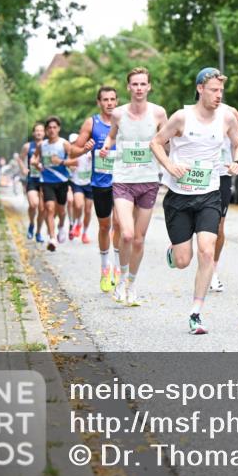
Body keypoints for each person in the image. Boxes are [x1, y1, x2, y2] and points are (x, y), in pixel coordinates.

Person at [150, 67, 238, 335]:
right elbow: (156, 142)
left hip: (209, 194)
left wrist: (237, 161)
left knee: (206, 250)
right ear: (200, 89)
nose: (218, 95)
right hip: (179, 197)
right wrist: (169, 165)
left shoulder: (226, 118)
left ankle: (196, 313)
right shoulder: (182, 117)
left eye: (221, 91)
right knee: (183, 260)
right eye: (214, 90)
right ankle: (174, 251)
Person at [98, 67, 168, 306]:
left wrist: (171, 157)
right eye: (135, 84)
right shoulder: (118, 114)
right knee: (126, 233)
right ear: (128, 87)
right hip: (123, 180)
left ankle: (132, 283)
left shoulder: (159, 113)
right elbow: (112, 135)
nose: (139, 88)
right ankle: (121, 277)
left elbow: (167, 141)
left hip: (148, 181)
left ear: (149, 87)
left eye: (143, 84)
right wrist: (107, 146)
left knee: (139, 239)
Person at [68, 86, 122, 292]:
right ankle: (104, 269)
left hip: (120, 181)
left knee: (120, 224)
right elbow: (72, 151)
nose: (109, 103)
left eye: (112, 99)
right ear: (99, 102)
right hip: (100, 183)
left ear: (117, 101)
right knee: (105, 226)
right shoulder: (92, 123)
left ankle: (118, 268)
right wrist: (84, 149)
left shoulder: (124, 121)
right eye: (105, 99)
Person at [211, 102, 238, 292]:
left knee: (218, 225)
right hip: (201, 174)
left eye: (220, 88)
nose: (217, 93)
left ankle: (213, 270)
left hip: (223, 173)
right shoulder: (193, 113)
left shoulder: (230, 112)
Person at [31, 116, 78, 252]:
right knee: (49, 208)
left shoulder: (64, 144)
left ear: (58, 129)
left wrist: (61, 162)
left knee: (62, 210)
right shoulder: (42, 145)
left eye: (54, 127)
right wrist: (36, 163)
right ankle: (52, 238)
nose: (52, 130)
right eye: (49, 128)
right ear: (46, 130)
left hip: (62, 181)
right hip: (46, 181)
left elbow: (74, 161)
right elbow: (34, 157)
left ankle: (62, 226)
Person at [18, 122, 46, 243]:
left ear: (44, 133)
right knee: (33, 204)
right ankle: (31, 224)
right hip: (32, 179)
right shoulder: (28, 146)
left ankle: (38, 232)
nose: (39, 132)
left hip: (45, 181)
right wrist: (23, 168)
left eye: (41, 130)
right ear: (33, 133)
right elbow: (20, 158)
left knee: (42, 209)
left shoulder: (48, 145)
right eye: (37, 130)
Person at [67, 132, 94, 243]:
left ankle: (85, 233)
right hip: (77, 183)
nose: (75, 144)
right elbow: (68, 165)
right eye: (72, 143)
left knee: (88, 210)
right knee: (78, 205)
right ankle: (78, 223)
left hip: (89, 183)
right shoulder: (71, 154)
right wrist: (71, 166)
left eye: (76, 142)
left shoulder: (87, 152)